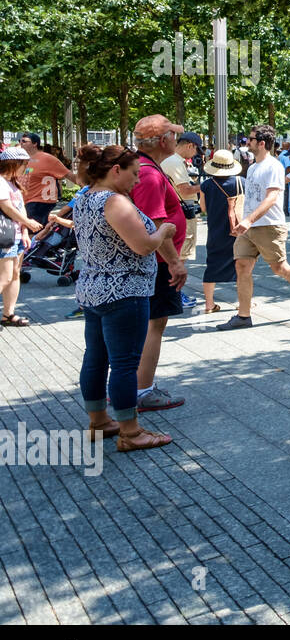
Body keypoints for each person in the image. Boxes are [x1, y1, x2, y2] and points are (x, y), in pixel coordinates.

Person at [73, 144, 178, 452]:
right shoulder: (115, 202)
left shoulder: (85, 198)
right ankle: (131, 433)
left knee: (95, 357)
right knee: (123, 363)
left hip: (93, 289)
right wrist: (164, 232)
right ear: (115, 170)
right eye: (134, 174)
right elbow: (143, 245)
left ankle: (99, 420)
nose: (137, 181)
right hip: (124, 292)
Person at [219, 125, 290, 329]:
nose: (247, 142)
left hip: (269, 226)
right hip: (250, 227)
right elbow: (252, 197)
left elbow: (272, 197)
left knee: (279, 268)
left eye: (251, 139)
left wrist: (248, 220)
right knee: (242, 265)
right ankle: (244, 316)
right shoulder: (254, 167)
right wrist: (241, 219)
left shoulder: (273, 166)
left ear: (262, 143)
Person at [130, 116, 190, 412]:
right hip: (157, 262)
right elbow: (156, 224)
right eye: (174, 136)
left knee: (151, 323)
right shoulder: (150, 175)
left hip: (153, 260)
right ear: (163, 141)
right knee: (155, 324)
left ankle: (140, 385)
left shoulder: (145, 168)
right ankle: (143, 389)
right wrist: (175, 262)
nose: (177, 142)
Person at [0, 147, 43, 326]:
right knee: (5, 277)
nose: (26, 168)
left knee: (15, 274)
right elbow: (7, 207)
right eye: (25, 164)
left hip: (16, 235)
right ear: (14, 164)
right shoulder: (1, 182)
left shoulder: (12, 182)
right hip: (6, 235)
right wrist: (29, 222)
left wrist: (25, 230)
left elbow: (19, 207)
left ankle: (8, 314)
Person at [161, 131, 203, 310]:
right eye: (196, 150)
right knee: (179, 256)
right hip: (182, 213)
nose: (195, 154)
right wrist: (206, 186)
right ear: (189, 146)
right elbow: (185, 190)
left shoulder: (170, 160)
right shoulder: (175, 162)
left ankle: (172, 292)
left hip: (176, 213)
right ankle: (175, 293)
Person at [198, 149, 243, 314]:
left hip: (215, 230)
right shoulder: (241, 182)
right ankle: (242, 302)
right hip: (237, 230)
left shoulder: (206, 185)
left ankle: (209, 304)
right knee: (241, 265)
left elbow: (203, 208)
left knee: (212, 265)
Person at [17, 132, 69, 228]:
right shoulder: (20, 159)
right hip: (24, 201)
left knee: (33, 232)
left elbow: (69, 175)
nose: (21, 143)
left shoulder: (47, 159)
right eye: (20, 141)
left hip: (39, 203)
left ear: (35, 143)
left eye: (24, 141)